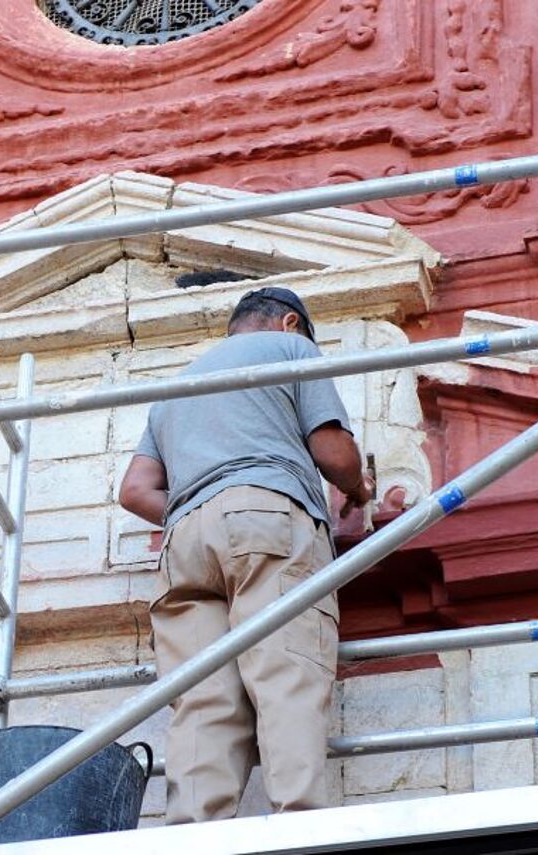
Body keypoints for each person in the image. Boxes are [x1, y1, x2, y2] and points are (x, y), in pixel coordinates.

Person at [118, 284, 374, 823]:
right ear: (288, 323)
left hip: (184, 537)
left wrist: (205, 501)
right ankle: (299, 823)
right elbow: (332, 452)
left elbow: (135, 491)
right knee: (286, 671)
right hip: (266, 516)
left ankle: (192, 832)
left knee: (203, 699)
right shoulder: (292, 349)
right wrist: (358, 488)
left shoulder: (177, 389)